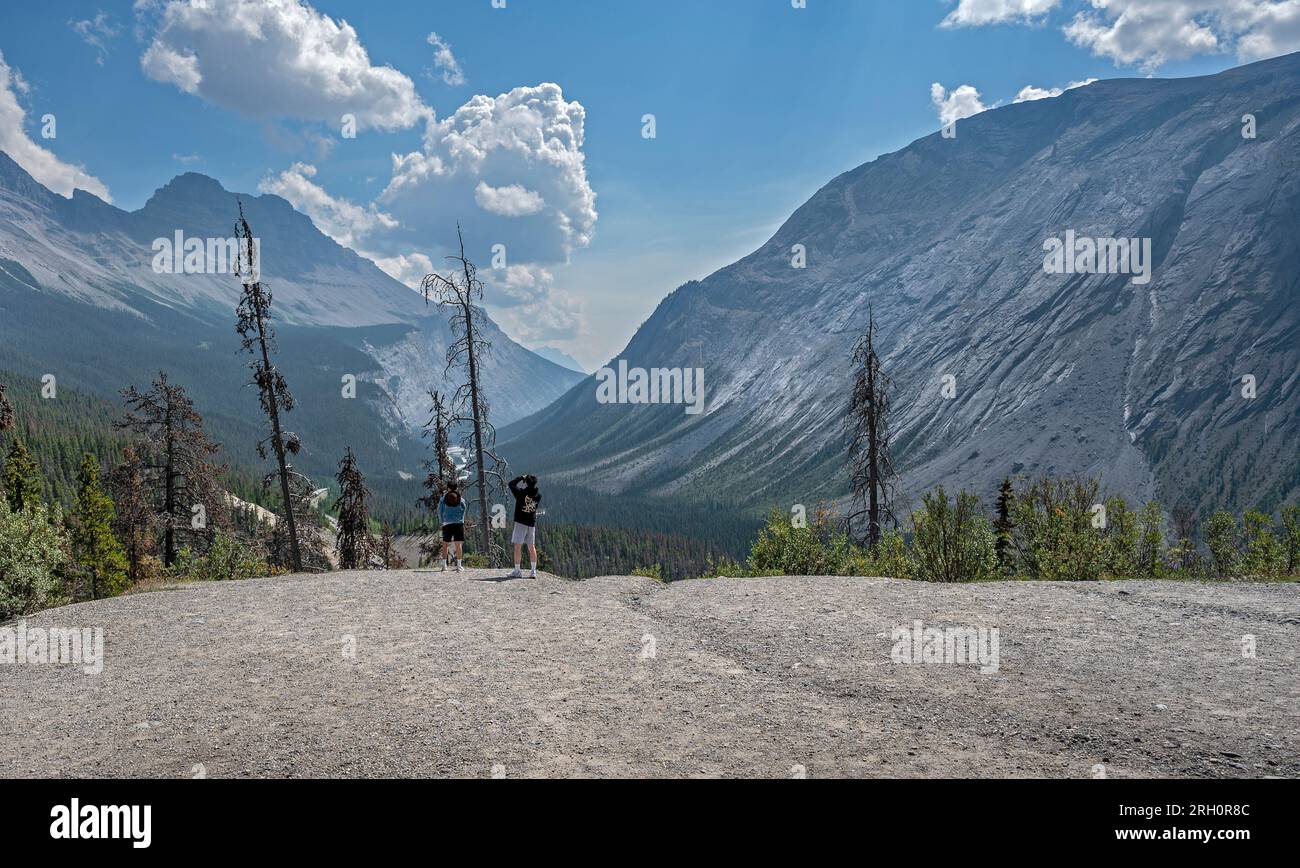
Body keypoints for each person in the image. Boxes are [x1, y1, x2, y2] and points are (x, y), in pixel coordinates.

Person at [508, 474, 541, 578]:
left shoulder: (520, 494)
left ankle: (517, 571)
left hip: (520, 522)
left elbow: (511, 484)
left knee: (517, 546)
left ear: (525, 483)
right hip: (531, 523)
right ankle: (533, 572)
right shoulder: (538, 495)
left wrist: (521, 477)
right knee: (532, 547)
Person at [438, 483, 467, 572]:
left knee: (445, 544)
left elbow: (439, 511)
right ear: (456, 488)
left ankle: (444, 566)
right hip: (458, 523)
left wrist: (442, 521)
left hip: (447, 523)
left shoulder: (443, 499)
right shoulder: (461, 499)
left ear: (448, 488)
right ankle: (459, 566)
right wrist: (461, 519)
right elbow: (464, 509)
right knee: (458, 545)